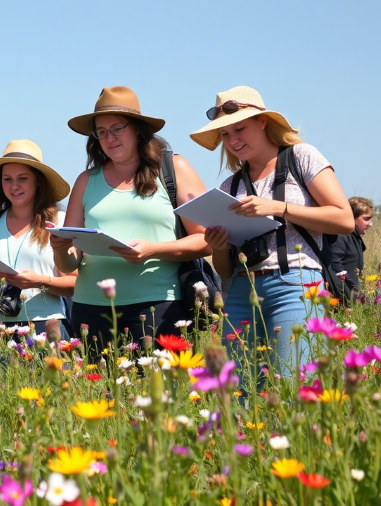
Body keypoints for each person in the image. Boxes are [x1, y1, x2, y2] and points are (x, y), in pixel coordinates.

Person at [191, 85, 353, 374]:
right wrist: (218, 246)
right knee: (242, 390)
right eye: (225, 134)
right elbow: (225, 271)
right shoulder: (231, 185)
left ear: (263, 122)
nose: (232, 140)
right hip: (240, 291)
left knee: (292, 380)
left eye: (239, 129)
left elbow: (344, 219)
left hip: (296, 284)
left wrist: (279, 208)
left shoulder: (300, 157)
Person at [52, 86, 210, 355]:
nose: (109, 138)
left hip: (159, 308)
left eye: (117, 129)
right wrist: (60, 248)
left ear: (137, 129)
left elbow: (207, 239)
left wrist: (153, 250)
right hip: (91, 309)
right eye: (101, 132)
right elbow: (70, 262)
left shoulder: (174, 169)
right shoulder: (85, 180)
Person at [0, 140, 77, 336]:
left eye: (22, 178)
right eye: (7, 179)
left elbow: (73, 284)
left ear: (38, 180)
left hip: (46, 326)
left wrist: (38, 282)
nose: (14, 186)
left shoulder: (58, 222)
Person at [332, 197, 373, 302]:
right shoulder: (341, 235)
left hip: (354, 295)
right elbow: (335, 265)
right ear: (352, 217)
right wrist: (350, 291)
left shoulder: (355, 237)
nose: (370, 224)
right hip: (344, 297)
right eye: (366, 219)